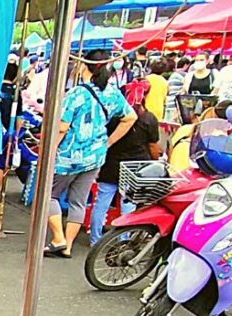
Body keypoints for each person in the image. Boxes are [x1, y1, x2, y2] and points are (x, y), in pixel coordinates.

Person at [44, 50, 136, 258]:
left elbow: (62, 127)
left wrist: (46, 153)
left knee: (48, 195)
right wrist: (107, 142)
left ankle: (58, 238)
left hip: (67, 157)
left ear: (85, 66)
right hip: (94, 157)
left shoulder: (77, 94)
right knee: (78, 201)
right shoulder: (113, 93)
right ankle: (67, 246)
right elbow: (130, 117)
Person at [90, 80, 159, 245]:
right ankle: (123, 240)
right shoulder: (149, 118)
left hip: (111, 164)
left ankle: (95, 239)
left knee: (102, 203)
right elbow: (153, 146)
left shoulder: (113, 116)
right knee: (128, 205)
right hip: (136, 167)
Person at [167, 56, 189, 121]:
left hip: (169, 104)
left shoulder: (173, 75)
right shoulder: (184, 75)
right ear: (186, 65)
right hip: (176, 106)